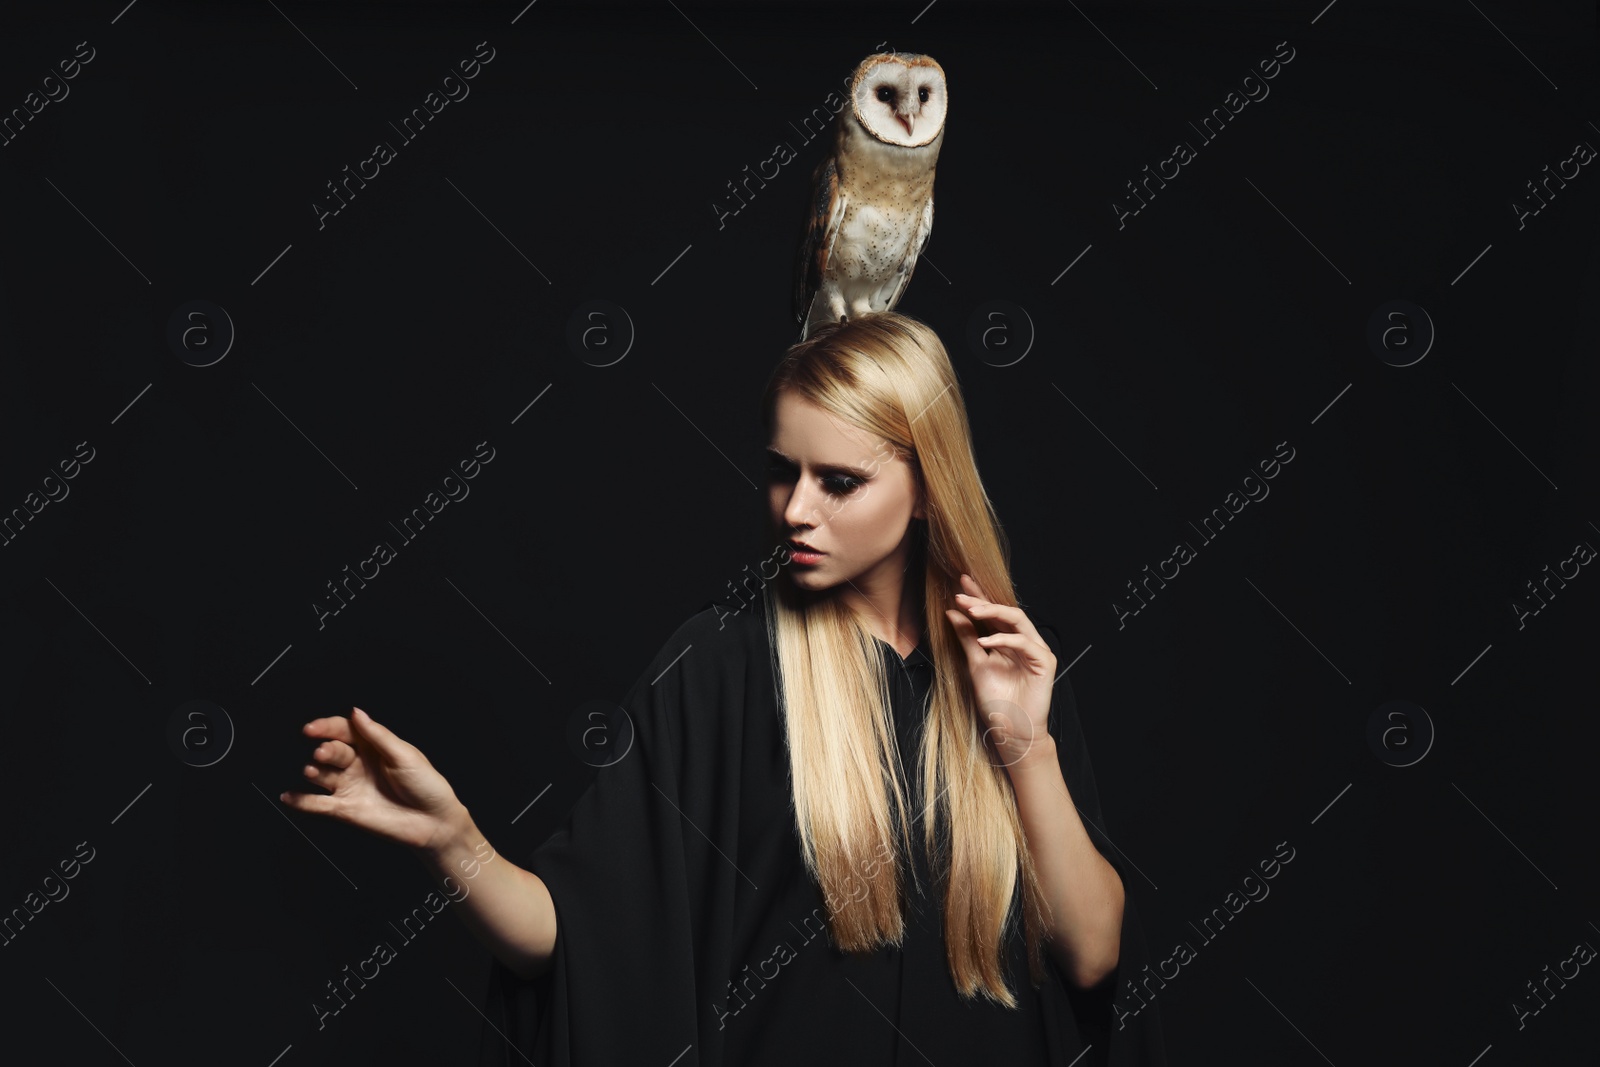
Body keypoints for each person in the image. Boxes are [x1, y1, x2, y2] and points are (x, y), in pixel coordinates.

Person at [281, 311, 1167, 1065]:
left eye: (840, 481)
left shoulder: (1010, 670)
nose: (795, 509)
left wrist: (1024, 745)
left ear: (929, 487)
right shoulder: (719, 667)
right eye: (785, 470)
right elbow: (581, 943)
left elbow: (1091, 956)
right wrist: (455, 843)